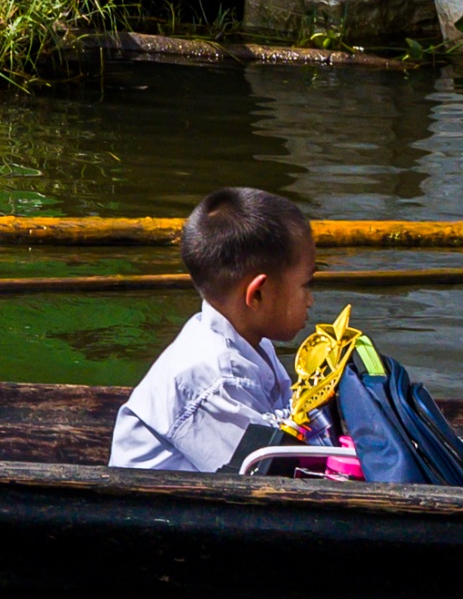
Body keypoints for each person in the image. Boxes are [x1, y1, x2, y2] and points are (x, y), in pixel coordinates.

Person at [109, 187, 316, 470]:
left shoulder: (252, 343)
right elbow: (261, 472)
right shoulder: (215, 377)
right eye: (305, 285)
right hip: (152, 510)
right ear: (257, 294)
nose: (310, 300)